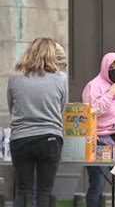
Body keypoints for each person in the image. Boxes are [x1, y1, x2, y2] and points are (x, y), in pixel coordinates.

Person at [7, 38, 68, 207]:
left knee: (23, 191)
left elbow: (12, 107)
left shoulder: (14, 76)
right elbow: (61, 108)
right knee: (44, 193)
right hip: (50, 138)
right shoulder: (61, 78)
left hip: (21, 138)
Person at [81, 52, 115, 207]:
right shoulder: (93, 86)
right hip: (100, 141)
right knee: (98, 185)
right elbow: (92, 111)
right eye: (111, 67)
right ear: (104, 67)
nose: (114, 70)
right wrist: (110, 94)